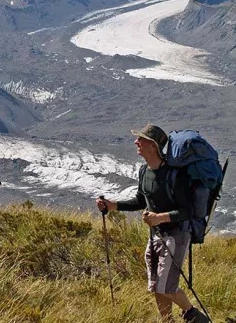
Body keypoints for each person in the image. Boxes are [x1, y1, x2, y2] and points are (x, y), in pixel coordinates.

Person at [96, 124, 211, 323]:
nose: (136, 142)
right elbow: (140, 201)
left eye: (140, 139)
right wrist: (111, 206)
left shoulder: (175, 176)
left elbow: (186, 211)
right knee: (157, 284)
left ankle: (196, 317)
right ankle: (167, 321)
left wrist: (160, 217)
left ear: (152, 145)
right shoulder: (144, 171)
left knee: (166, 286)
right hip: (156, 234)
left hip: (176, 234)